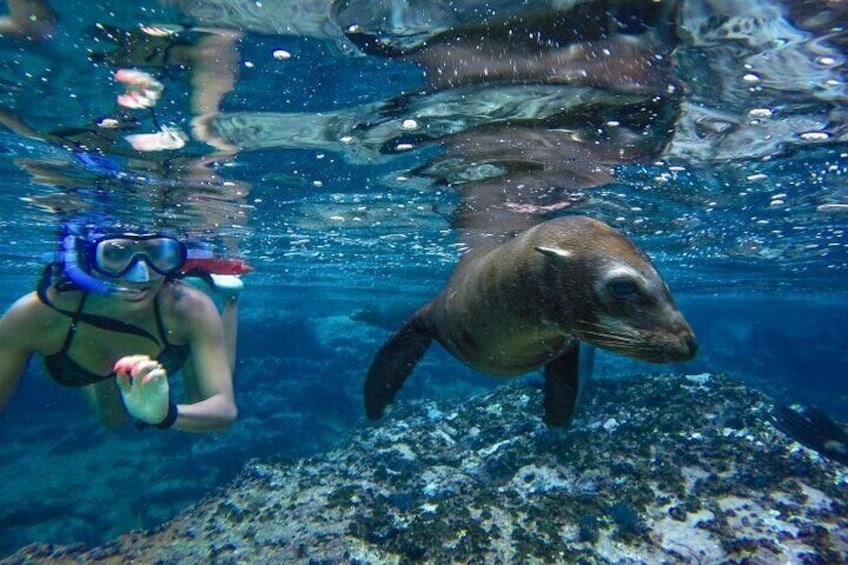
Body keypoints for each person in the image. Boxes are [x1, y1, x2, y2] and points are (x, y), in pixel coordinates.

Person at [0, 218, 245, 432]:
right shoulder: (35, 315)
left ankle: (230, 299)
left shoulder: (188, 308)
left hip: (175, 327)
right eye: (116, 253)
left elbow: (223, 410)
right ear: (84, 258)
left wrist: (164, 414)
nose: (141, 275)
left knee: (200, 409)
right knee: (113, 421)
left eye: (158, 253)